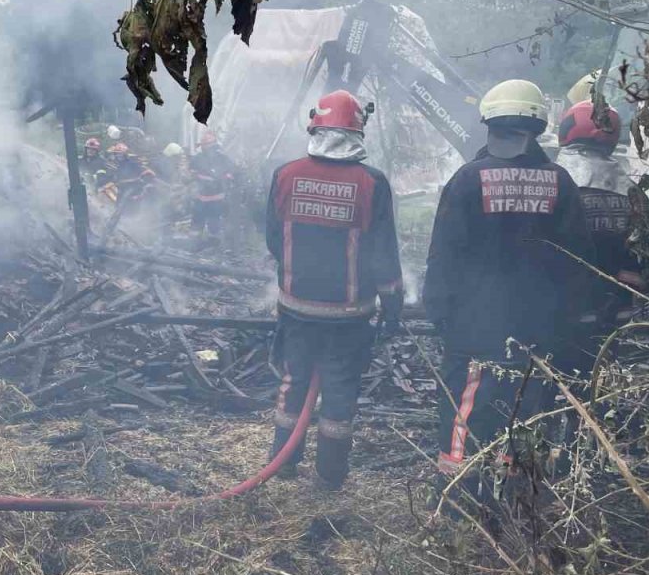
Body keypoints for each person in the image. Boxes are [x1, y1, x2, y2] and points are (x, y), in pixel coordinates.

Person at [423, 79, 593, 480]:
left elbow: (444, 253)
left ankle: (458, 495)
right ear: (538, 127)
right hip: (537, 325)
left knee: (464, 408)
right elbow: (578, 260)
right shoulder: (560, 182)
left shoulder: (468, 179)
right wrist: (567, 319)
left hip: (474, 325)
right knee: (522, 408)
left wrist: (438, 311)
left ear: (488, 121)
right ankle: (510, 497)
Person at [265, 89, 403, 489]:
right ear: (357, 130)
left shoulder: (285, 175)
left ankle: (283, 463)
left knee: (293, 382)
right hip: (348, 314)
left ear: (315, 125)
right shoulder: (371, 182)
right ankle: (329, 475)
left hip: (296, 308)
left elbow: (273, 238)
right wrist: (392, 305)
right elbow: (384, 254)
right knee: (339, 389)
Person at [554, 100, 645, 370]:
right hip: (619, 309)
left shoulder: (556, 182)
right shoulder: (632, 190)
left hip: (567, 306)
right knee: (602, 378)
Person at [190, 130, 235, 236]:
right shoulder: (197, 158)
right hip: (200, 200)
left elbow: (232, 174)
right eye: (203, 145)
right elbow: (190, 174)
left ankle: (214, 243)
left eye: (207, 144)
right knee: (195, 229)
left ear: (214, 145)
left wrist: (221, 179)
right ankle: (194, 244)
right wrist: (199, 178)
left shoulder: (223, 159)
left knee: (214, 229)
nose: (205, 147)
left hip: (217, 200)